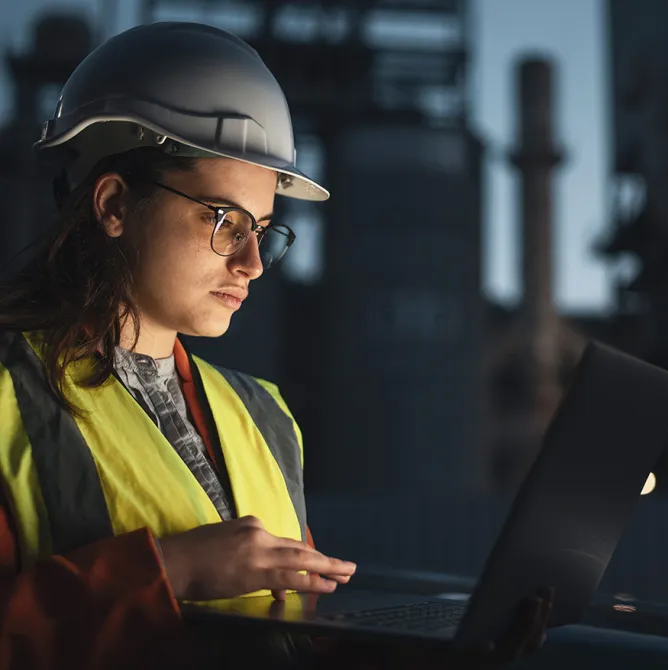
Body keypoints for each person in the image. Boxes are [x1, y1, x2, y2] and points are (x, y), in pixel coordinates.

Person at [0, 21, 549, 670]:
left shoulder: (260, 416)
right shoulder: (11, 399)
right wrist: (172, 573)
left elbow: (294, 636)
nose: (254, 262)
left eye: (263, 229)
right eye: (226, 221)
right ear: (115, 204)